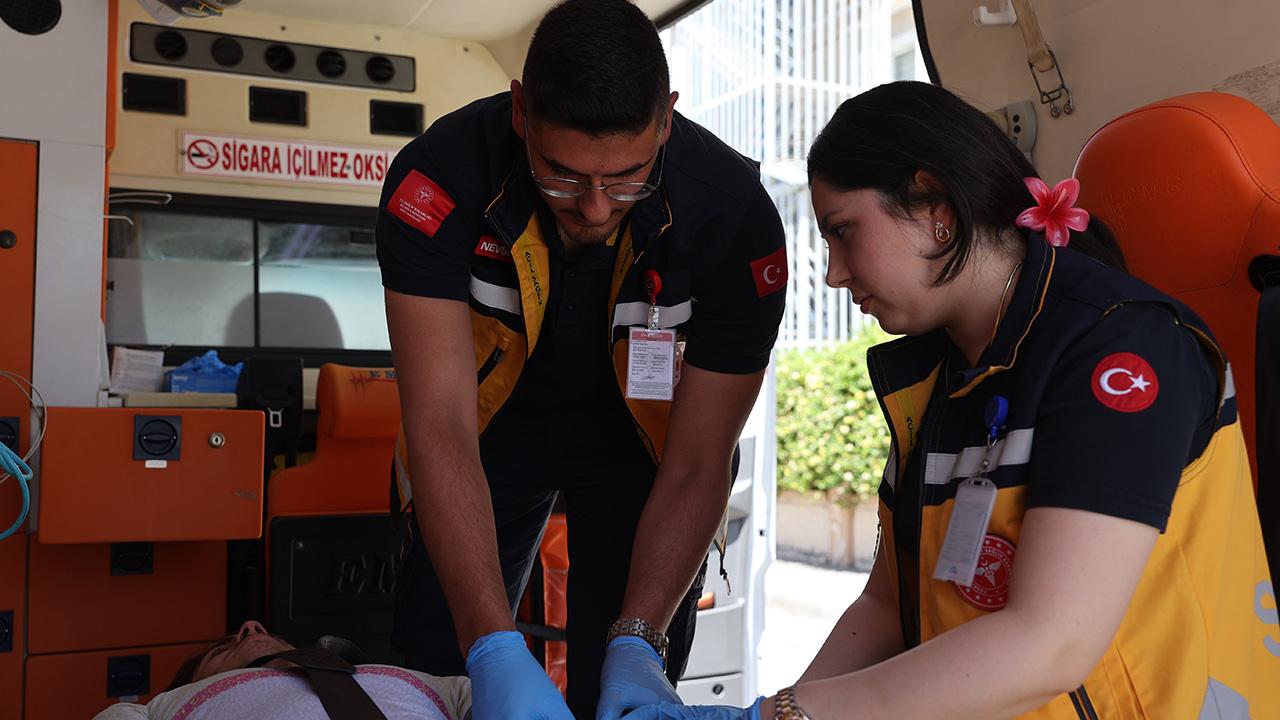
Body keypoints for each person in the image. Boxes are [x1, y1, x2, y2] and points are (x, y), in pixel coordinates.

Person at [632, 80, 1279, 719]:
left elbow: (1050, 644)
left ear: (935, 208)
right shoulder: (939, 382)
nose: (833, 273)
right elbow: (886, 607)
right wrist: (778, 710)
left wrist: (786, 718)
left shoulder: (1122, 348)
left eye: (843, 232)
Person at [375, 0, 787, 717]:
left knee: (626, 682)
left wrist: (638, 641)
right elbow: (438, 424)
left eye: (626, 179)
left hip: (644, 451)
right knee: (441, 662)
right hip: (485, 436)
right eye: (563, 177)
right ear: (520, 113)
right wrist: (493, 648)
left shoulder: (734, 219)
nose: (596, 209)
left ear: (667, 119)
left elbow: (699, 460)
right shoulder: (437, 181)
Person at [91, 621, 472, 720]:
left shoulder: (422, 682)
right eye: (222, 651)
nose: (251, 628)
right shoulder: (166, 708)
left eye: (274, 635)